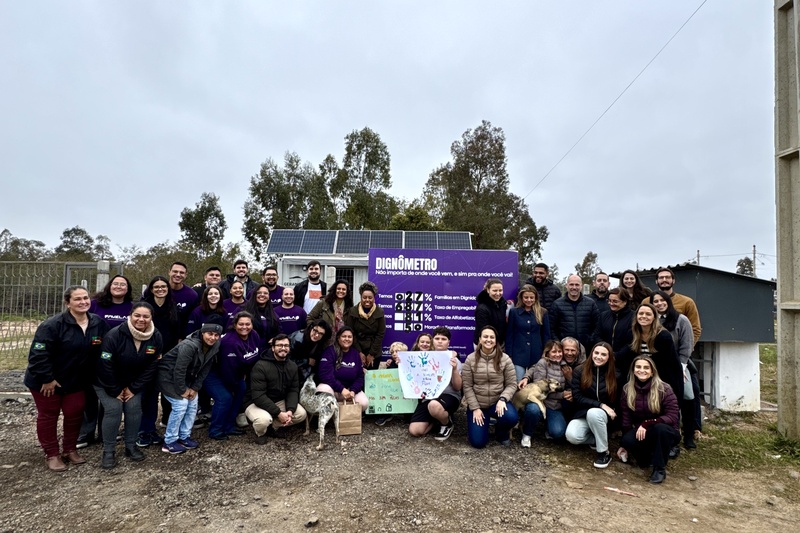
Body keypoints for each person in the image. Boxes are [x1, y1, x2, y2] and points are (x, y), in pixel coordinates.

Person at [24, 286, 109, 472]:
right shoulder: (52, 325)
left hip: (76, 380)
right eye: (77, 299)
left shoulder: (97, 323)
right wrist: (47, 379)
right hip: (46, 381)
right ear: (67, 303)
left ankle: (69, 449)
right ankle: (52, 454)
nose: (83, 302)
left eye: (86, 298)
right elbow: (38, 354)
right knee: (49, 416)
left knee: (74, 413)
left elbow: (104, 349)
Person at [94, 302, 163, 468]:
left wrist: (133, 388)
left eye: (146, 316)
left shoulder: (156, 336)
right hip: (106, 382)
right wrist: (116, 389)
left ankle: (130, 446)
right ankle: (108, 450)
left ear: (151, 318)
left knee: (133, 409)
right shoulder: (114, 335)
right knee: (114, 409)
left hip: (133, 383)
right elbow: (105, 365)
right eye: (137, 315)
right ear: (130, 316)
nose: (141, 319)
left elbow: (153, 365)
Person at [78, 274, 134, 449]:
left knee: (109, 397)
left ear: (128, 289)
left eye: (123, 284)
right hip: (92, 356)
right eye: (115, 283)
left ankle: (106, 432)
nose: (119, 286)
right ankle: (86, 433)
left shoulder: (131, 308)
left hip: (117, 359)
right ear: (109, 286)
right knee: (89, 397)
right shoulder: (95, 304)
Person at [648, 267, 702, 436]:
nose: (664, 280)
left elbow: (695, 329)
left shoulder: (686, 303)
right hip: (655, 360)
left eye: (667, 277)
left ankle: (693, 428)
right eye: (661, 278)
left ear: (673, 280)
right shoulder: (648, 303)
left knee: (689, 389)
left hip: (680, 357)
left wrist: (683, 362)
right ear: (656, 281)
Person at [158, 323, 222, 454]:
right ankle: (169, 441)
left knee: (193, 403)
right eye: (210, 334)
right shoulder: (189, 345)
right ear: (202, 333)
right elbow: (179, 369)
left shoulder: (215, 345)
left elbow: (205, 368)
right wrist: (183, 390)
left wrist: (195, 387)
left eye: (216, 335)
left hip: (187, 378)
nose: (213, 338)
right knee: (180, 405)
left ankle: (184, 436)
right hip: (167, 377)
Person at [617, 355, 681, 484]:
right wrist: (624, 445)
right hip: (643, 432)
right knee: (629, 442)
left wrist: (647, 423)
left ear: (652, 371)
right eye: (638, 367)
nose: (642, 370)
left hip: (665, 430)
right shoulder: (627, 389)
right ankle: (649, 456)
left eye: (646, 367)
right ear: (633, 370)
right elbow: (626, 418)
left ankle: (659, 469)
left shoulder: (664, 388)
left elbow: (673, 416)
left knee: (660, 430)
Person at [139, 275, 182, 445]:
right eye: (156, 287)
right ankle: (145, 430)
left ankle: (165, 423)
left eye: (163, 286)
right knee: (149, 395)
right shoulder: (145, 307)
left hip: (169, 356)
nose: (160, 289)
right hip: (148, 356)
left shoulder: (173, 307)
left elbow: (178, 333)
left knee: (167, 393)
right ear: (151, 289)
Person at [204, 312, 261, 440]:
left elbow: (256, 356)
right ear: (235, 325)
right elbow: (227, 370)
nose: (244, 327)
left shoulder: (254, 335)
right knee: (225, 398)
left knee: (241, 392)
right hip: (216, 374)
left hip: (237, 374)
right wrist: (235, 384)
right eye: (241, 324)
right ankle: (216, 430)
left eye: (248, 324)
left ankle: (229, 426)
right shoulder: (229, 342)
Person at [651, 290, 697, 449]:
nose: (659, 304)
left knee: (687, 395)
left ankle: (689, 434)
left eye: (662, 301)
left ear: (668, 302)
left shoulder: (681, 320)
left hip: (679, 365)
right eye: (655, 301)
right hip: (657, 368)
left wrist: (682, 369)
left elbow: (687, 346)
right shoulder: (651, 321)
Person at [462, 325, 519, 448]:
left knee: (511, 417)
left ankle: (501, 433)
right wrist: (475, 408)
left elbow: (512, 384)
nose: (489, 340)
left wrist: (503, 399)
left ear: (496, 340)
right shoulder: (470, 359)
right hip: (478, 404)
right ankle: (483, 425)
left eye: (492, 337)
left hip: (497, 402)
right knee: (478, 443)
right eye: (485, 337)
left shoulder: (505, 359)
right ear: (480, 339)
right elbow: (467, 386)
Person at [244, 334, 307, 444]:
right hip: (255, 402)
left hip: (278, 401)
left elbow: (293, 390)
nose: (283, 348)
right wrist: (279, 413)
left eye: (286, 345)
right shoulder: (261, 366)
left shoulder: (292, 366)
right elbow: (258, 396)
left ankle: (272, 427)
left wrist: (290, 411)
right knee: (263, 421)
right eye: (280, 345)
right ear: (273, 348)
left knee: (300, 414)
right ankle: (261, 433)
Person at [565, 342, 619, 469]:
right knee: (572, 436)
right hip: (584, 413)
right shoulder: (580, 370)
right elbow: (577, 397)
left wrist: (608, 411)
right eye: (596, 353)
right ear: (591, 354)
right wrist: (600, 405)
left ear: (609, 357)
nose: (599, 357)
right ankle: (597, 439)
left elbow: (619, 400)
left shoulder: (616, 374)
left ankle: (603, 452)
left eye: (604, 354)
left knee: (594, 413)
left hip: (606, 417)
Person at [408, 327, 463, 441]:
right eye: (437, 338)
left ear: (449, 342)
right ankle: (436, 419)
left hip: (449, 396)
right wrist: (398, 362)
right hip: (429, 396)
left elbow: (458, 387)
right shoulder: (425, 358)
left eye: (443, 339)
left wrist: (454, 370)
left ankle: (447, 423)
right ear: (433, 340)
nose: (440, 341)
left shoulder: (454, 360)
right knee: (415, 431)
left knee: (434, 405)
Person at [518, 340, 568, 447]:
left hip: (555, 405)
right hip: (540, 400)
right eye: (554, 352)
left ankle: (548, 427)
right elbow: (540, 389)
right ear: (547, 353)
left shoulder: (565, 366)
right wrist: (562, 395)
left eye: (560, 351)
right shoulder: (543, 363)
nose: (557, 354)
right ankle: (527, 434)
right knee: (533, 410)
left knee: (557, 433)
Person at [317, 327, 369, 412]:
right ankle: (329, 417)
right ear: (338, 338)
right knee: (324, 390)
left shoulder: (355, 354)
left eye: (349, 337)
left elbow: (360, 376)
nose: (347, 339)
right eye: (344, 336)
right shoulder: (330, 351)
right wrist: (341, 389)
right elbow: (325, 375)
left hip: (349, 391)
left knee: (363, 403)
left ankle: (346, 418)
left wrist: (353, 391)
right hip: (333, 389)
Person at [506, 284, 551, 381]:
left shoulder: (543, 312)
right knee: (519, 381)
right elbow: (510, 334)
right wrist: (509, 353)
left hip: (537, 354)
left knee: (535, 383)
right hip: (518, 354)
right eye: (526, 297)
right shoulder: (514, 312)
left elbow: (546, 335)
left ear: (536, 298)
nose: (529, 300)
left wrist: (546, 352)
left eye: (532, 297)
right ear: (521, 297)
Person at [549, 274, 599, 353]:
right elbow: (551, 328)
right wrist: (558, 343)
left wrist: (590, 340)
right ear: (566, 285)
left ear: (581, 286)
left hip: (585, 348)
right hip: (564, 349)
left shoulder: (591, 303)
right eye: (571, 284)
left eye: (577, 285)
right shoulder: (557, 304)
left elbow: (597, 325)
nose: (574, 287)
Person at [592, 288, 635, 375]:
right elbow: (597, 335)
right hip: (604, 359)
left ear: (625, 301)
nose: (611, 304)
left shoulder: (634, 317)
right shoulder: (603, 315)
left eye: (615, 301)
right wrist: (605, 352)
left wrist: (616, 356)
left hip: (625, 361)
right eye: (609, 301)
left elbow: (632, 341)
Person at [345, 281, 385, 371]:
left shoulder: (380, 312)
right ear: (361, 297)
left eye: (370, 298)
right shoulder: (352, 311)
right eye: (364, 297)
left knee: (371, 381)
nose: (367, 300)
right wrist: (359, 352)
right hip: (356, 349)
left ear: (374, 298)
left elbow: (380, 333)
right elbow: (350, 332)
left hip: (374, 352)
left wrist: (371, 354)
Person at [241, 284, 280, 349]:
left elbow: (279, 331)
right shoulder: (243, 309)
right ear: (254, 295)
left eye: (265, 293)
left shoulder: (272, 313)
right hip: (248, 349)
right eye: (259, 293)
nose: (262, 295)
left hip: (267, 351)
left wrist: (275, 339)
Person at [473, 277, 508, 348]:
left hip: (499, 344)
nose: (498, 293)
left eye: (500, 290)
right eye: (495, 290)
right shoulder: (482, 308)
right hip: (485, 345)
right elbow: (483, 331)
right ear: (488, 290)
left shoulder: (503, 304)